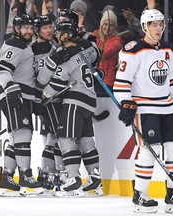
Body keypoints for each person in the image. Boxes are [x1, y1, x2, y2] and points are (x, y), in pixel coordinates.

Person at [113, 9, 173, 213]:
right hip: (144, 108)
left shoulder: (167, 50)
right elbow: (121, 84)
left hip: (166, 108)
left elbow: (171, 82)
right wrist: (126, 104)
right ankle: (140, 195)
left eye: (160, 24)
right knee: (150, 150)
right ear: (144, 27)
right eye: (153, 24)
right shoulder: (132, 50)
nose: (158, 28)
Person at [43, 19, 103, 197]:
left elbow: (53, 85)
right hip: (90, 101)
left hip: (74, 101)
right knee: (85, 139)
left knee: (64, 138)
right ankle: (95, 178)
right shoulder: (88, 49)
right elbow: (98, 53)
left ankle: (73, 179)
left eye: (59, 32)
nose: (56, 35)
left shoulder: (64, 58)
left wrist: (42, 95)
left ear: (66, 35)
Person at [0, 14, 43, 196]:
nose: (29, 31)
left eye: (31, 28)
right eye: (25, 28)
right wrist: (11, 89)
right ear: (16, 29)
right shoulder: (15, 45)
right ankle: (25, 176)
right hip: (14, 95)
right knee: (23, 132)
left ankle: (6, 177)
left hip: (20, 94)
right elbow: (2, 70)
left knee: (15, 136)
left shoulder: (23, 46)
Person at [32, 15, 66, 193]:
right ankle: (56, 173)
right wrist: (36, 95)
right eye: (45, 27)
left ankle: (48, 173)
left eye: (50, 27)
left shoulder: (56, 46)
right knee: (56, 135)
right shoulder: (30, 50)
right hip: (45, 99)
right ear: (38, 30)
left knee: (54, 135)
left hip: (58, 95)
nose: (49, 30)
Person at [94, 9, 124, 94]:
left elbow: (103, 55)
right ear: (101, 25)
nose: (107, 28)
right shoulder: (97, 38)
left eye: (110, 25)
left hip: (107, 82)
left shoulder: (117, 42)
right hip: (94, 80)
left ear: (114, 28)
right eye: (105, 24)